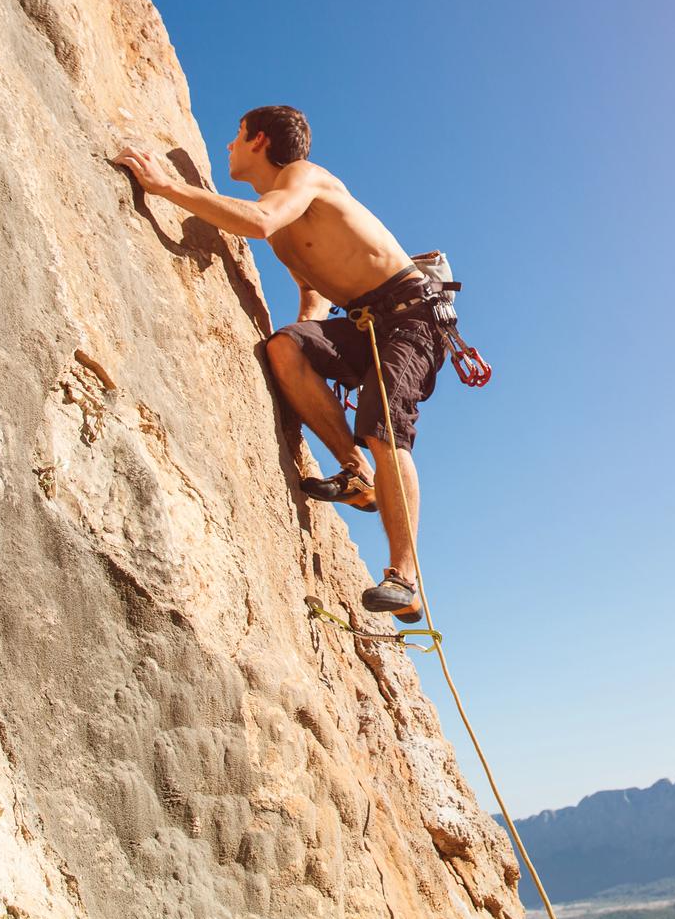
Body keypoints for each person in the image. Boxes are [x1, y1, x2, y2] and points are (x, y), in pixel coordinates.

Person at [114, 105, 440, 622]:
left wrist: (166, 188)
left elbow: (261, 222)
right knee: (284, 348)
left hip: (410, 317)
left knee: (382, 425)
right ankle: (355, 475)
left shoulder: (301, 178)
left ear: (260, 140)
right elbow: (312, 298)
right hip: (361, 324)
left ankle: (406, 576)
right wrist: (300, 349)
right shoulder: (288, 225)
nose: (228, 147)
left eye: (237, 136)